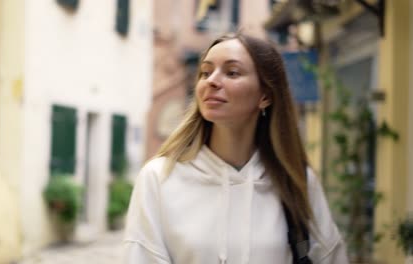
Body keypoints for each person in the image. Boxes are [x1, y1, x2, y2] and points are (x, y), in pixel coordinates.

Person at [123, 32, 349, 264]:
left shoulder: (297, 180)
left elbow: (330, 257)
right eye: (206, 72)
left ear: (265, 95)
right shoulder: (159, 178)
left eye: (232, 72)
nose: (212, 81)